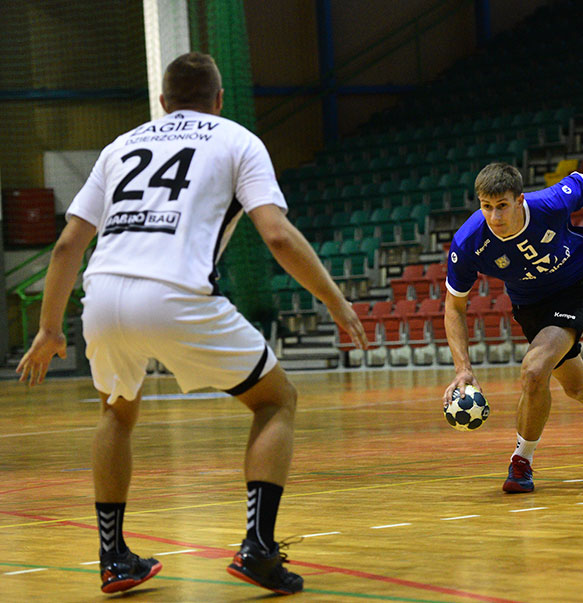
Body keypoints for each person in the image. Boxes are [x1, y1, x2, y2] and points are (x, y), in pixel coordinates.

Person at [16, 52, 369, 594]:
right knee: (276, 401)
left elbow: (67, 245)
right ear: (219, 100)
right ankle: (258, 548)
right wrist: (335, 300)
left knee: (116, 413)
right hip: (175, 293)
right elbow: (277, 235)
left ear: (163, 102)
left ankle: (113, 558)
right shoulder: (237, 140)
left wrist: (48, 329)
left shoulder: (121, 146)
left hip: (102, 294)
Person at [443, 162, 583, 493]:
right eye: (486, 207)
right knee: (578, 386)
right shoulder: (468, 241)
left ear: (519, 200)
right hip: (530, 305)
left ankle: (521, 461)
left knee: (534, 371)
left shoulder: (549, 202)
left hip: (574, 288)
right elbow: (454, 306)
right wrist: (463, 369)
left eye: (502, 206)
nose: (495, 216)